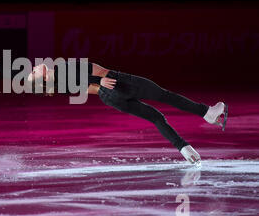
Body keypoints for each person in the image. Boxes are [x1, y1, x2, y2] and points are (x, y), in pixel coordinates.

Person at [27, 60, 228, 166]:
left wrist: (102, 87)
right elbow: (81, 77)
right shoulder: (57, 72)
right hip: (117, 82)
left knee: (156, 117)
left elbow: (85, 85)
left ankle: (185, 149)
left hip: (109, 97)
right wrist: (101, 81)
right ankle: (207, 113)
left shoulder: (59, 83)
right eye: (34, 72)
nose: (35, 67)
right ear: (42, 80)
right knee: (167, 96)